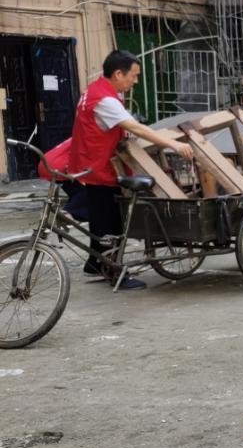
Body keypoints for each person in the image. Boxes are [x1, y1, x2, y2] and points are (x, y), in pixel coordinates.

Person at [70, 50, 194, 290]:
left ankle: (96, 263)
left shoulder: (94, 91)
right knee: (112, 224)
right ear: (118, 74)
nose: (135, 81)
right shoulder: (105, 100)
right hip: (101, 167)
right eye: (133, 76)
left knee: (99, 218)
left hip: (90, 165)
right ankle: (114, 272)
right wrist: (173, 143)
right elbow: (134, 127)